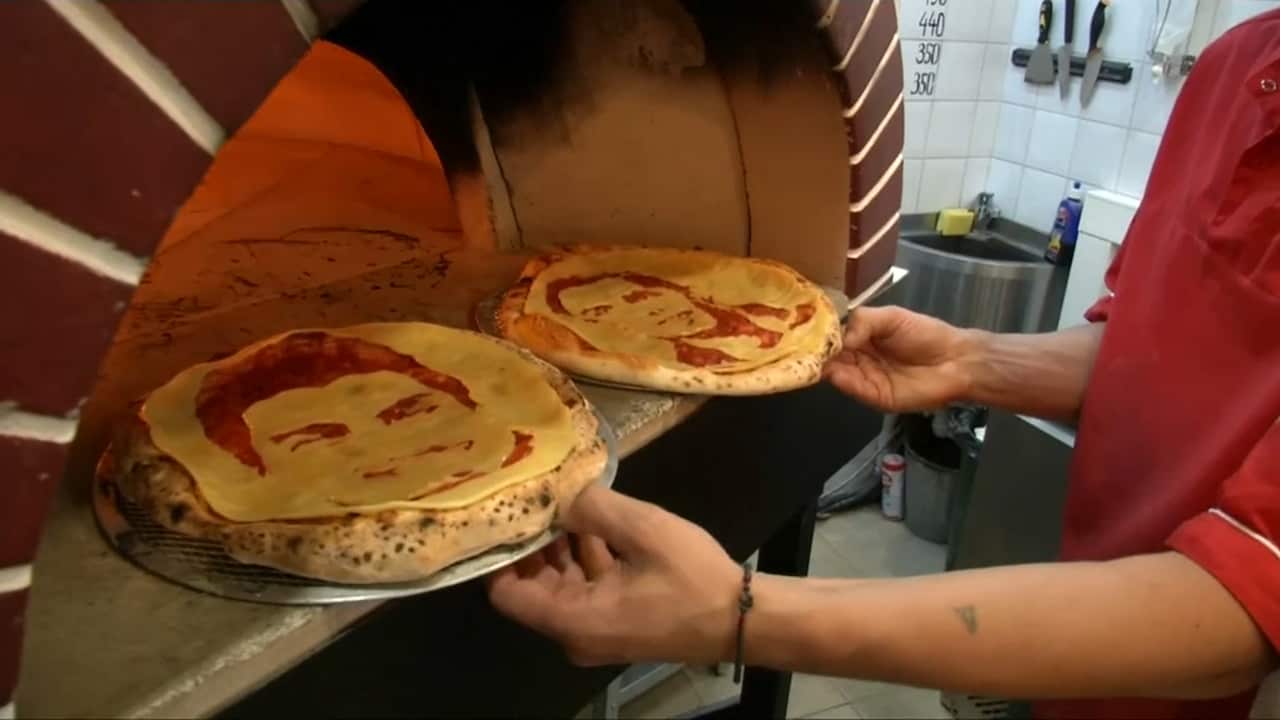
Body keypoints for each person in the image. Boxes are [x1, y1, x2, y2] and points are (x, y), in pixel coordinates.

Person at [488, 10, 1280, 719]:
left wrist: (740, 613)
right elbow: (1162, 352)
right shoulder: (1231, 67)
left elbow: (1242, 608)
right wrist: (975, 359)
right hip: (1092, 674)